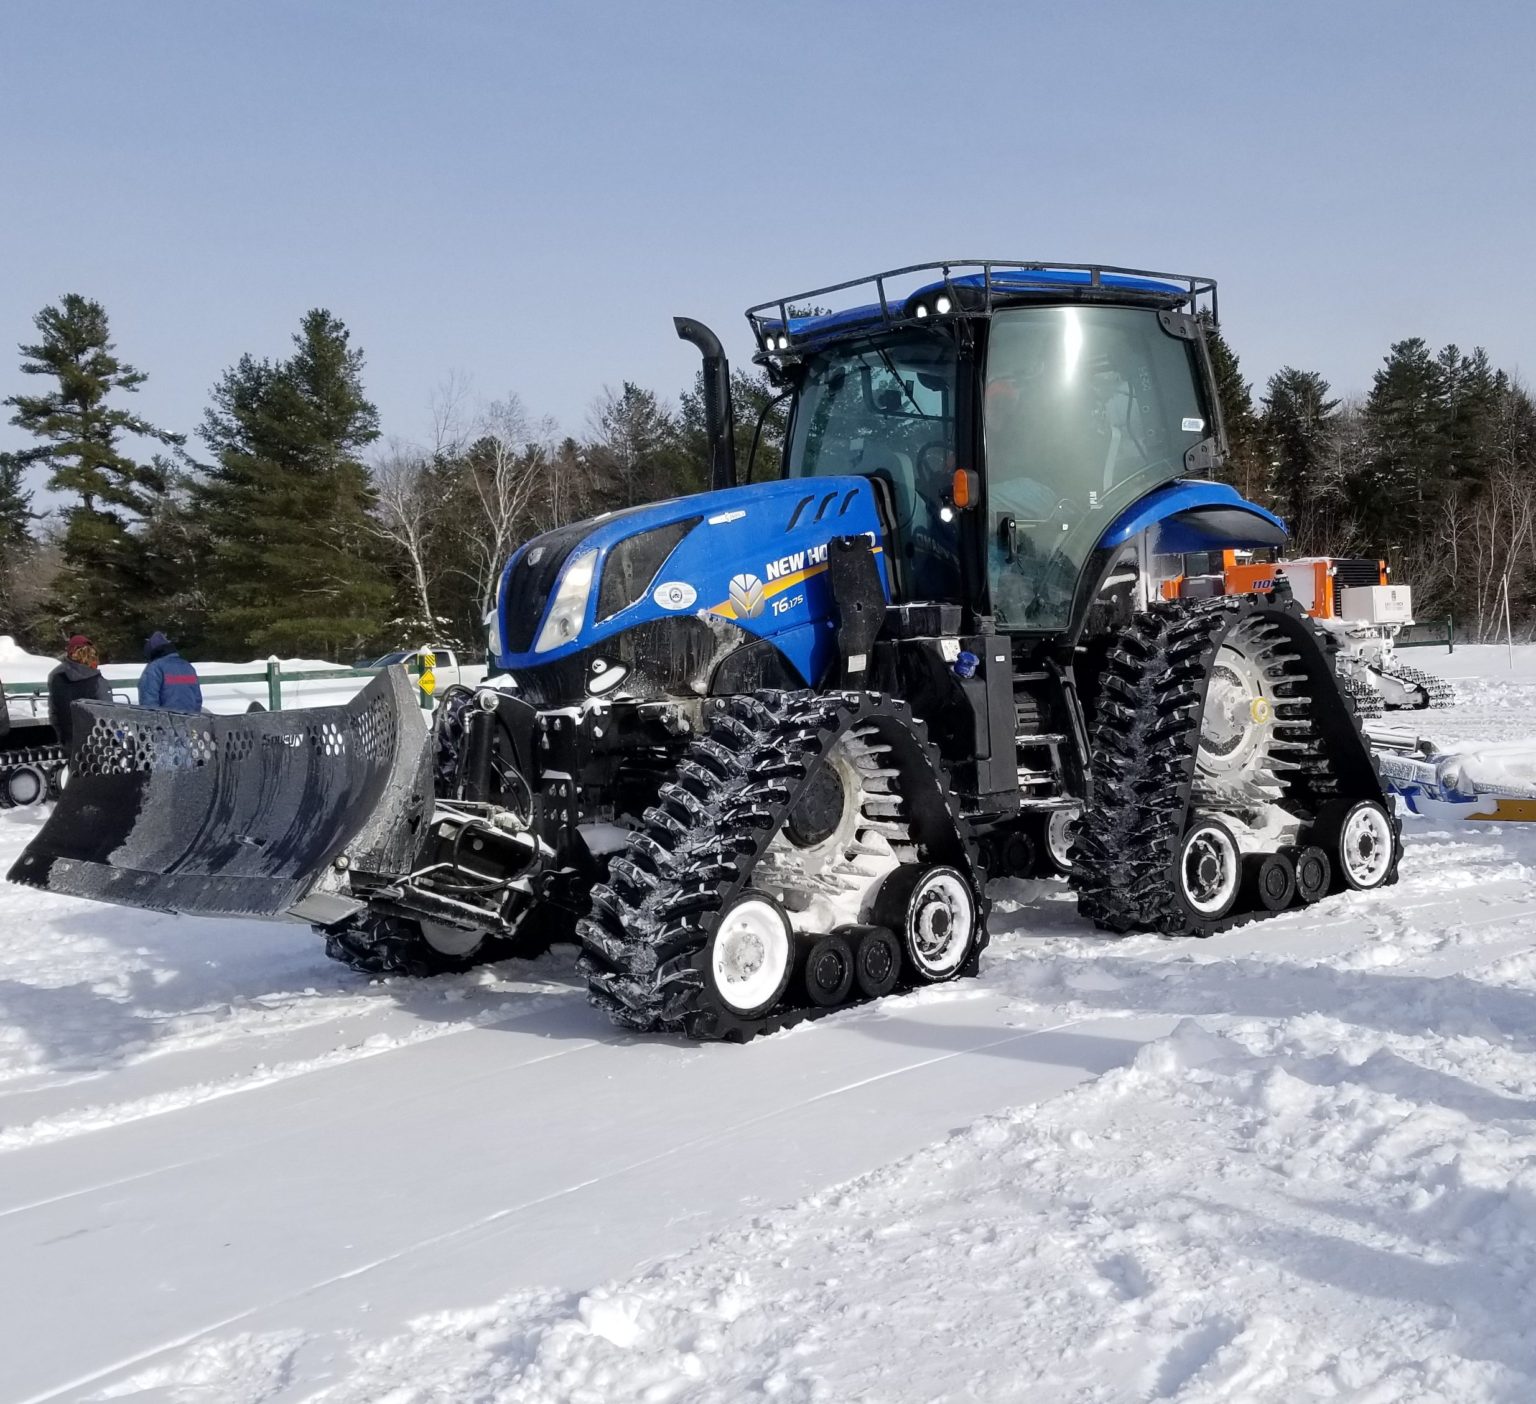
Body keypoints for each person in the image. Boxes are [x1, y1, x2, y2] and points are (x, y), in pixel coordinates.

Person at [47, 635, 112, 750]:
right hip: (97, 742)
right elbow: (109, 714)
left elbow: (54, 712)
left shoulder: (56, 676)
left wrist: (61, 737)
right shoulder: (96, 679)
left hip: (70, 740)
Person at [138, 631, 203, 712]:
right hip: (189, 720)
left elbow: (148, 700)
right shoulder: (187, 666)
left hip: (166, 721)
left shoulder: (155, 667)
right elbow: (197, 698)